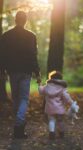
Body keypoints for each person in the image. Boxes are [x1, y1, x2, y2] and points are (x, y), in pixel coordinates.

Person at [0, 11, 41, 139]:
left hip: (12, 71)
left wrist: (2, 71)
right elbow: (33, 55)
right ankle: (19, 126)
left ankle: (18, 127)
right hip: (26, 71)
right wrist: (37, 73)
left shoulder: (6, 35)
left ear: (15, 20)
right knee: (23, 99)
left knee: (17, 98)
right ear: (25, 21)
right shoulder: (31, 36)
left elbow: (2, 55)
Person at [38, 70, 78, 140]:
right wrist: (71, 103)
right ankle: (61, 132)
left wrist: (39, 84)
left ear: (51, 78)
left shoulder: (47, 86)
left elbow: (41, 91)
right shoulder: (62, 87)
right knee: (60, 121)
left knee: (51, 120)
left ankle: (52, 133)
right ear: (60, 79)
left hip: (49, 108)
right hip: (59, 109)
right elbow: (66, 97)